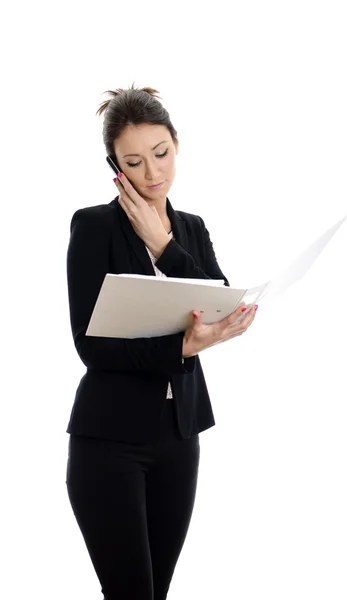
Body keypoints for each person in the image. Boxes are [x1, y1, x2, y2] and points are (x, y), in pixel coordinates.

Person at [65, 82, 258, 600]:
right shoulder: (94, 227)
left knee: (158, 592)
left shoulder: (191, 230)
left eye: (161, 153)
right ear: (115, 166)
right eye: (134, 162)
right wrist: (183, 347)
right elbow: (91, 347)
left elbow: (220, 303)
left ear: (176, 143)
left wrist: (164, 245)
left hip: (179, 438)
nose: (152, 173)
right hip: (108, 442)